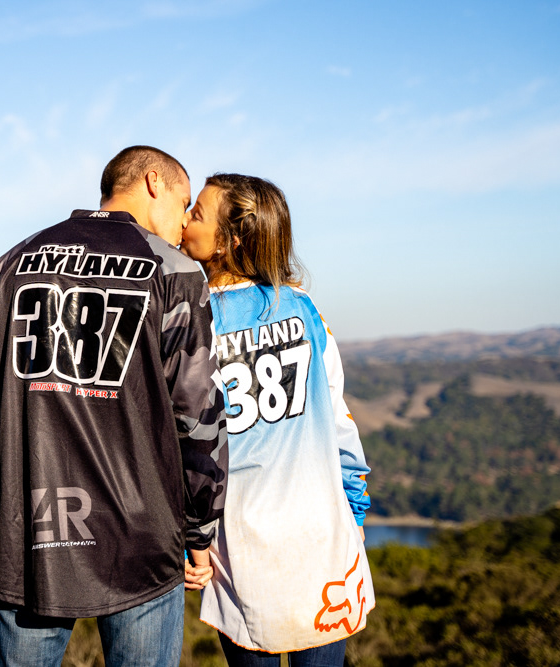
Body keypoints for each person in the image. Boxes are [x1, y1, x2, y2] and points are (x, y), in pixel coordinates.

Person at [0, 146, 228, 667]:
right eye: (184, 202)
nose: (182, 224)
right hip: (144, 539)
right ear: (154, 182)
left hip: (31, 532)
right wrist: (200, 528)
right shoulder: (173, 270)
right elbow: (198, 412)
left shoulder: (13, 263)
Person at [180, 174, 373, 666]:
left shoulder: (191, 321)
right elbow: (340, 422)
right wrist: (354, 510)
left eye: (196, 213)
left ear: (228, 242)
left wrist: (187, 539)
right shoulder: (303, 308)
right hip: (323, 540)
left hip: (238, 549)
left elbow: (183, 442)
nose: (184, 220)